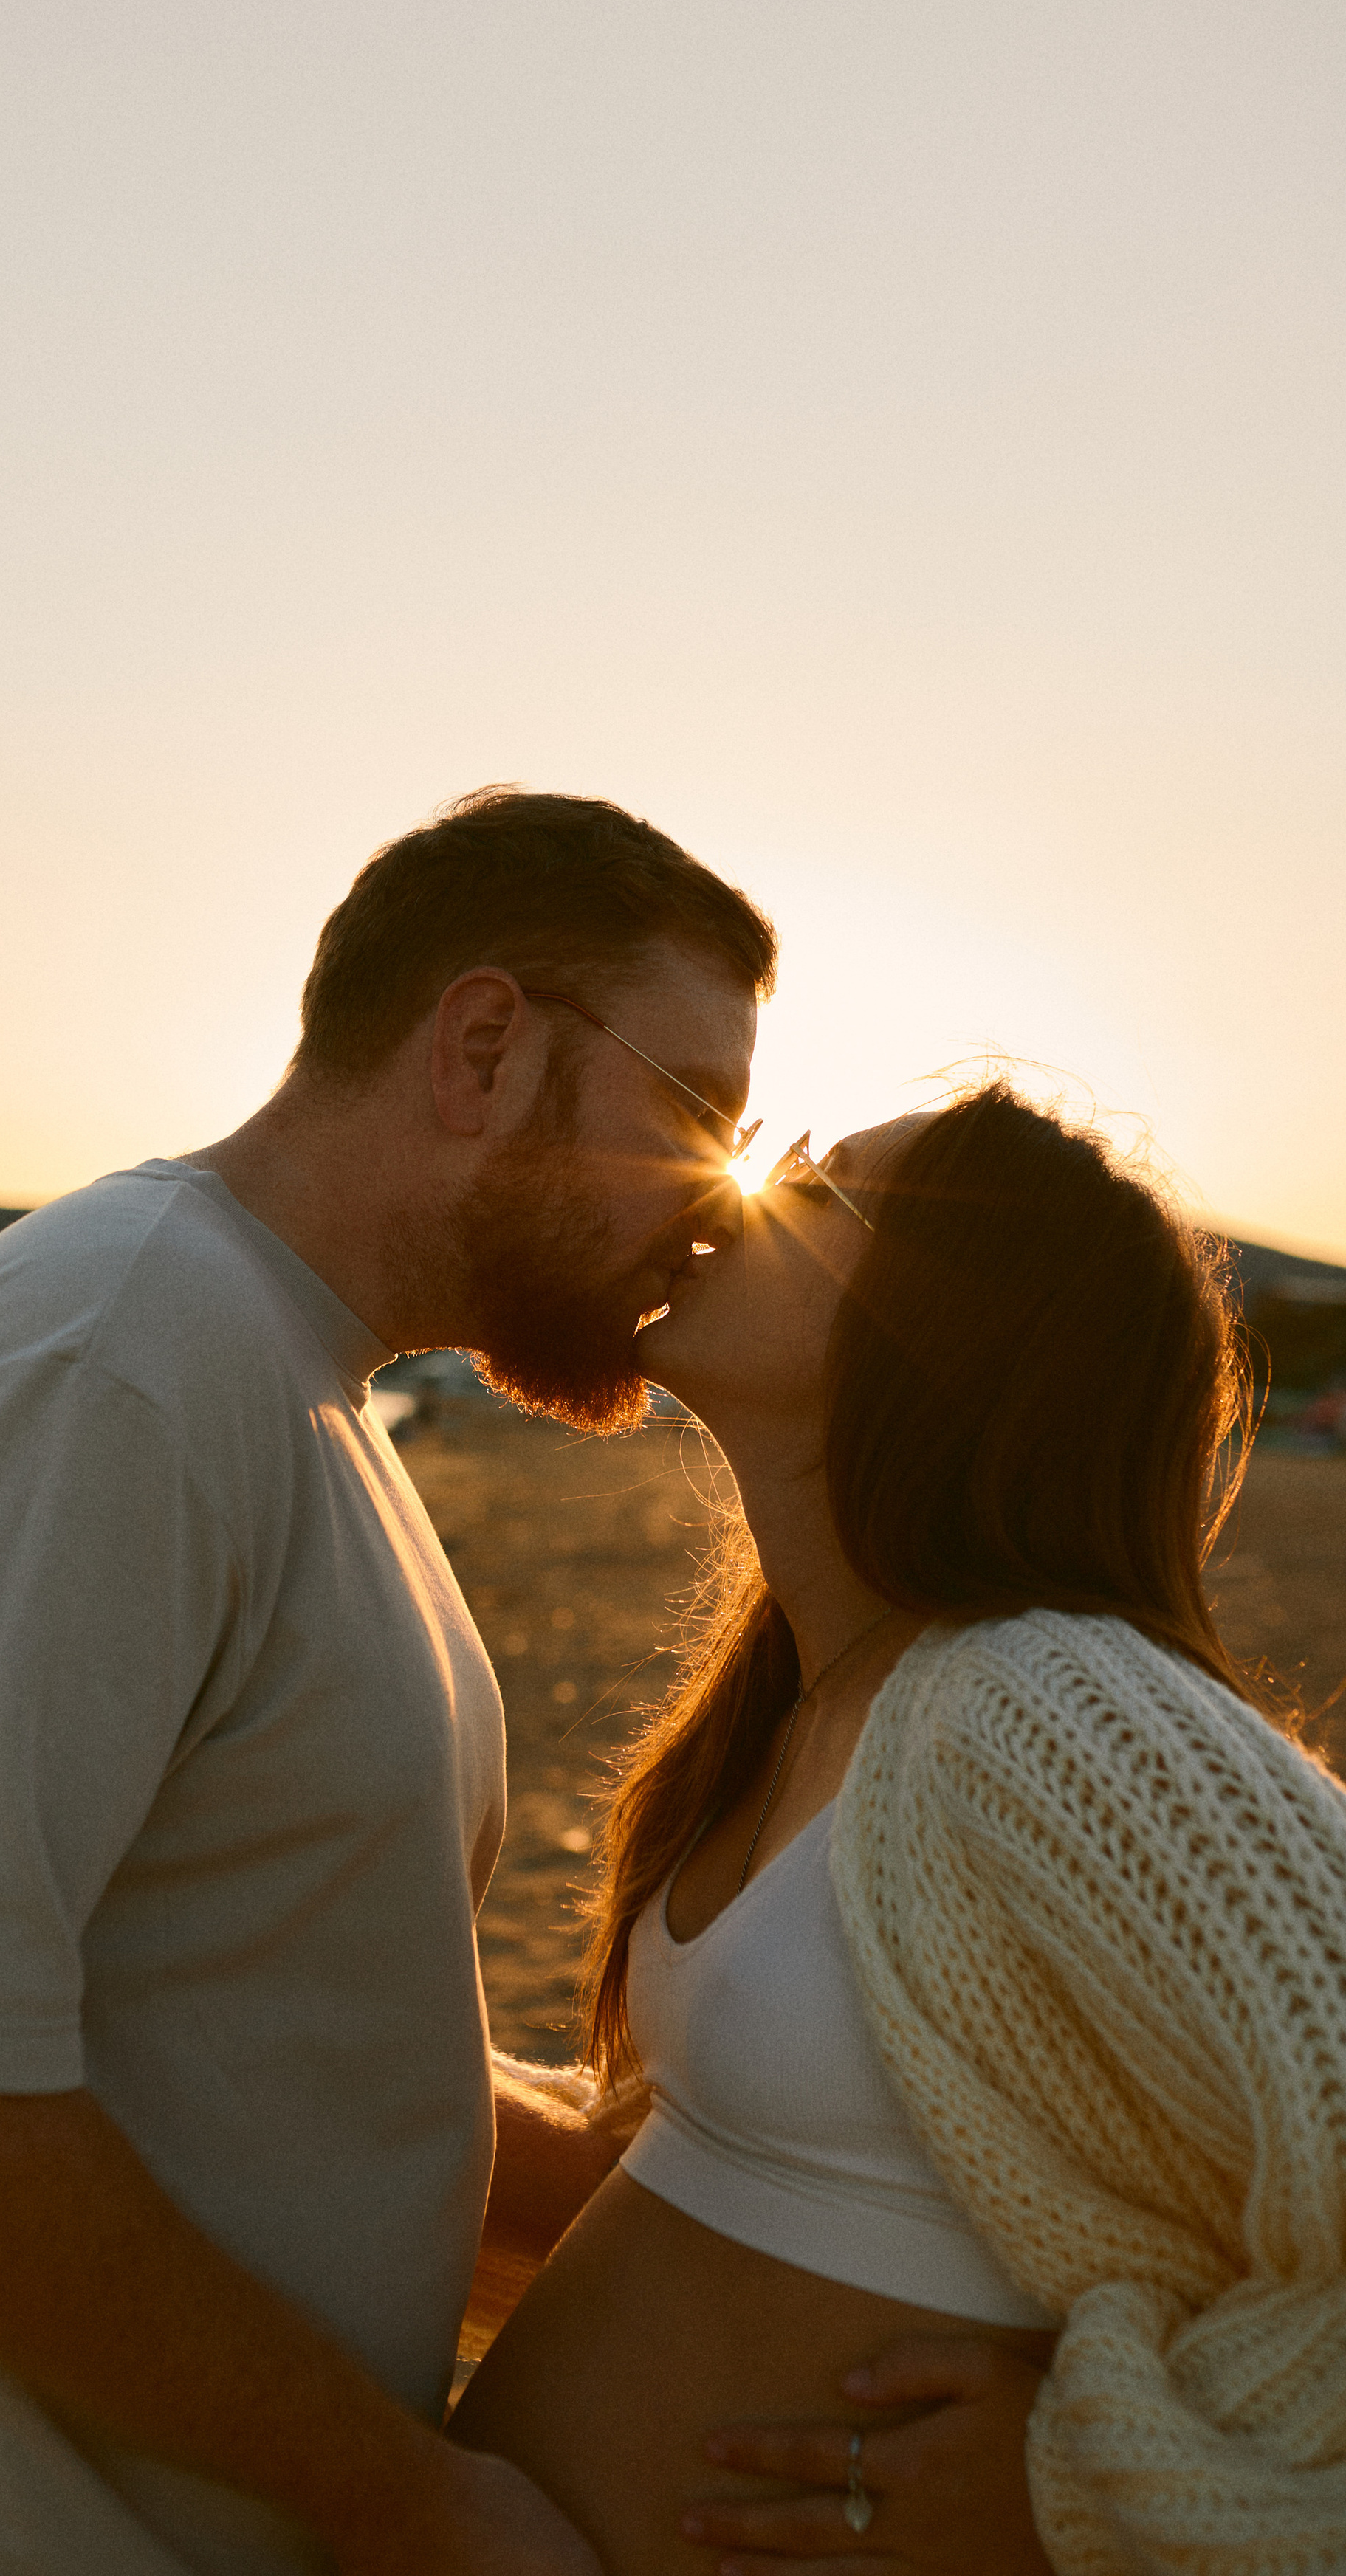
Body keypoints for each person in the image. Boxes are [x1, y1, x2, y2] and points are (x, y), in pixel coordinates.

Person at [0, 791, 1039, 2575]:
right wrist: (415, 2504)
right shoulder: (114, 1359)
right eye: (698, 1114)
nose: (712, 1207)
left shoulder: (299, 1386)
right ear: (483, 1042)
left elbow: (306, 2048)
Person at [448, 1085, 1346, 2573]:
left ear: (953, 1331)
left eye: (819, 1183)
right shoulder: (799, 1707)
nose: (739, 1187)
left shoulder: (1052, 1702)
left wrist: (1097, 2493)